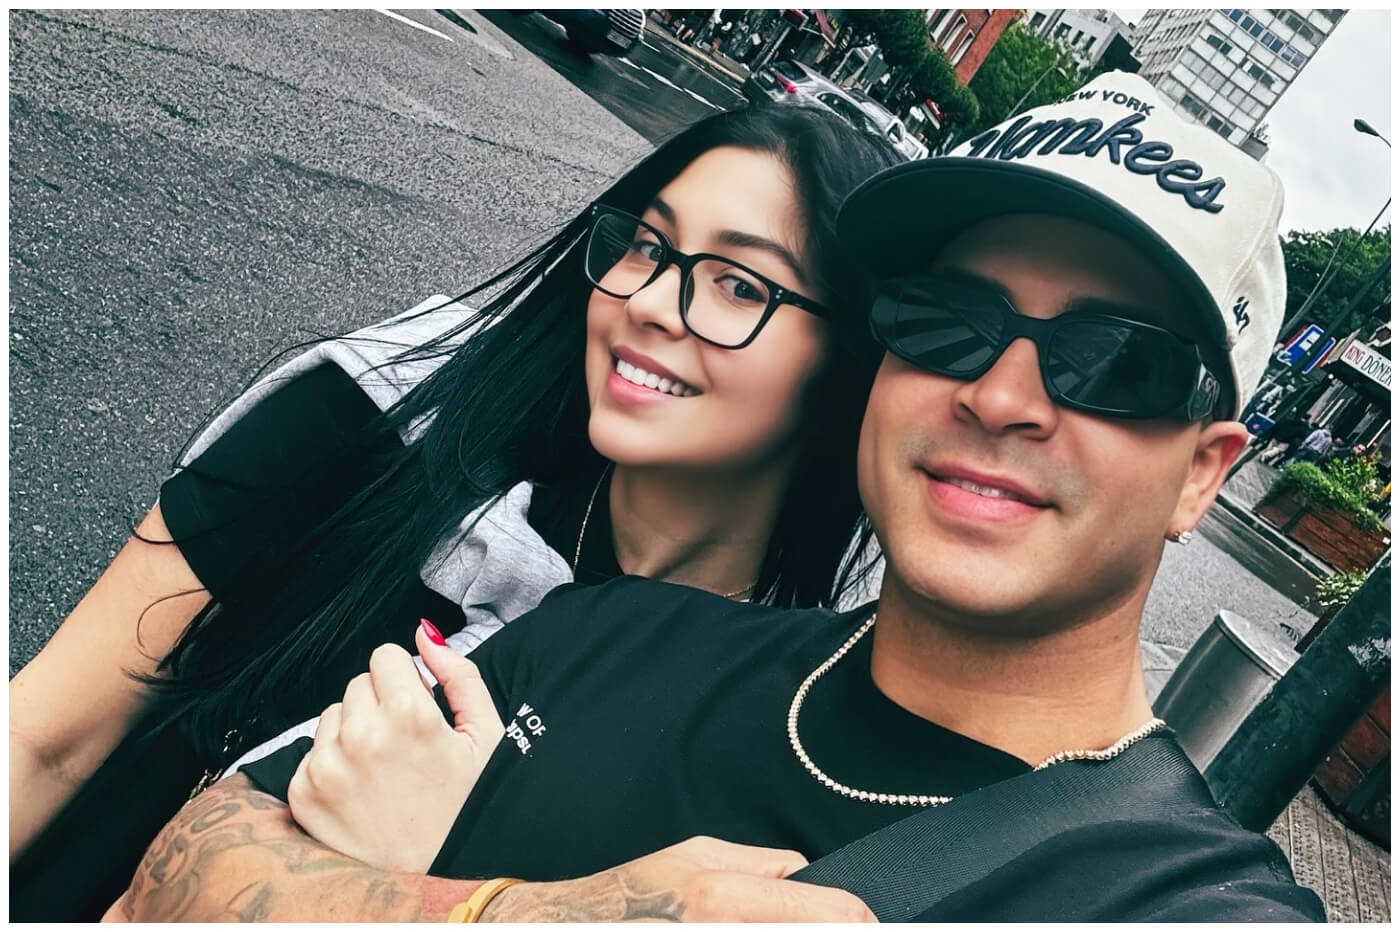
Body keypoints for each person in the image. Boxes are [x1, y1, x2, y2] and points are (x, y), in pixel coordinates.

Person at [115, 73, 1326, 923]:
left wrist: (388, 881)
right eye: (946, 321)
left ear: (1201, 471)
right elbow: (169, 872)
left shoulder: (1183, 902)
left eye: (1114, 363)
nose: (1001, 393)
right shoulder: (614, 627)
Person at [8, 103, 902, 921]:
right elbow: (46, 737)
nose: (648, 303)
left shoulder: (776, 722)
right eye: (647, 246)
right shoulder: (385, 414)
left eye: (740, 285)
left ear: (850, 364)